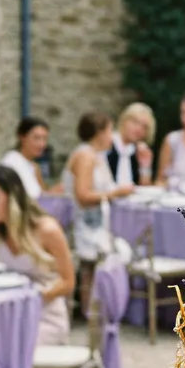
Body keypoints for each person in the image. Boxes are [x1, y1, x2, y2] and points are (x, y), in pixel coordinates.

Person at [0, 165, 74, 346]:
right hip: (9, 318)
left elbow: (68, 282)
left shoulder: (46, 229)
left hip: (44, 317)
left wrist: (29, 300)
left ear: (12, 198)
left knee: (0, 347)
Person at [64, 112, 134, 312]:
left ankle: (99, 309)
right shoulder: (85, 156)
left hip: (96, 223)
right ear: (99, 133)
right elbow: (83, 195)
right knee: (95, 265)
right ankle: (92, 312)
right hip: (85, 225)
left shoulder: (95, 155)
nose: (112, 136)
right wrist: (116, 193)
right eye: (110, 130)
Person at [1, 116, 62, 200]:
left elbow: (42, 198)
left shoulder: (34, 167)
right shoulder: (11, 162)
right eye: (36, 138)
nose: (42, 144)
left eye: (44, 139)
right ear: (22, 137)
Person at [108, 103, 155, 187]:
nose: (138, 129)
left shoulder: (139, 152)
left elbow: (145, 189)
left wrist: (145, 166)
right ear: (124, 121)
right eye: (135, 122)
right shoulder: (107, 144)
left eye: (144, 127)